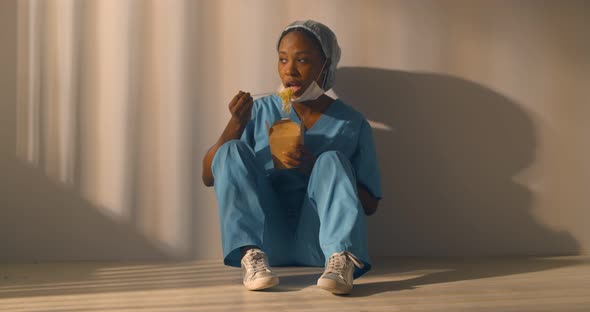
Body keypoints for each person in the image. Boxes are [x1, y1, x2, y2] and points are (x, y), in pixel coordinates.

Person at [201, 20, 382, 295]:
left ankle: (341, 261)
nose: (290, 70)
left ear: (326, 65)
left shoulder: (352, 122)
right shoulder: (257, 111)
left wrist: (314, 167)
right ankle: (250, 255)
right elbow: (208, 176)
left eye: (303, 60)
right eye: (283, 59)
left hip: (320, 245)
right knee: (231, 149)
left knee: (331, 159)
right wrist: (236, 124)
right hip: (265, 246)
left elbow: (370, 205)